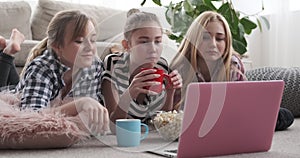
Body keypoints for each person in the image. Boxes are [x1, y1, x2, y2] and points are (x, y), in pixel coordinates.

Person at [170, 11, 294, 131]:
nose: (213, 44)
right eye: (205, 37)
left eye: (219, 39)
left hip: (231, 116)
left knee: (284, 115)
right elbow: (171, 113)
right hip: (198, 119)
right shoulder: (181, 67)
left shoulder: (232, 65)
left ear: (227, 42)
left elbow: (242, 104)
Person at [15, 10, 109, 135]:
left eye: (93, 40)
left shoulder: (94, 66)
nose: (90, 47)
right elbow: (32, 116)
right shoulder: (42, 68)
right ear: (57, 46)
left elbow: (89, 116)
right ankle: (8, 52)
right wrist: (80, 103)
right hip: (16, 97)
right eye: (79, 41)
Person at [101, 9, 182, 132]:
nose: (153, 49)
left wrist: (170, 92)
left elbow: (162, 123)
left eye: (158, 41)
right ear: (127, 45)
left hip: (146, 137)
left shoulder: (161, 66)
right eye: (144, 42)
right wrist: (129, 95)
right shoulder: (113, 64)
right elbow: (113, 126)